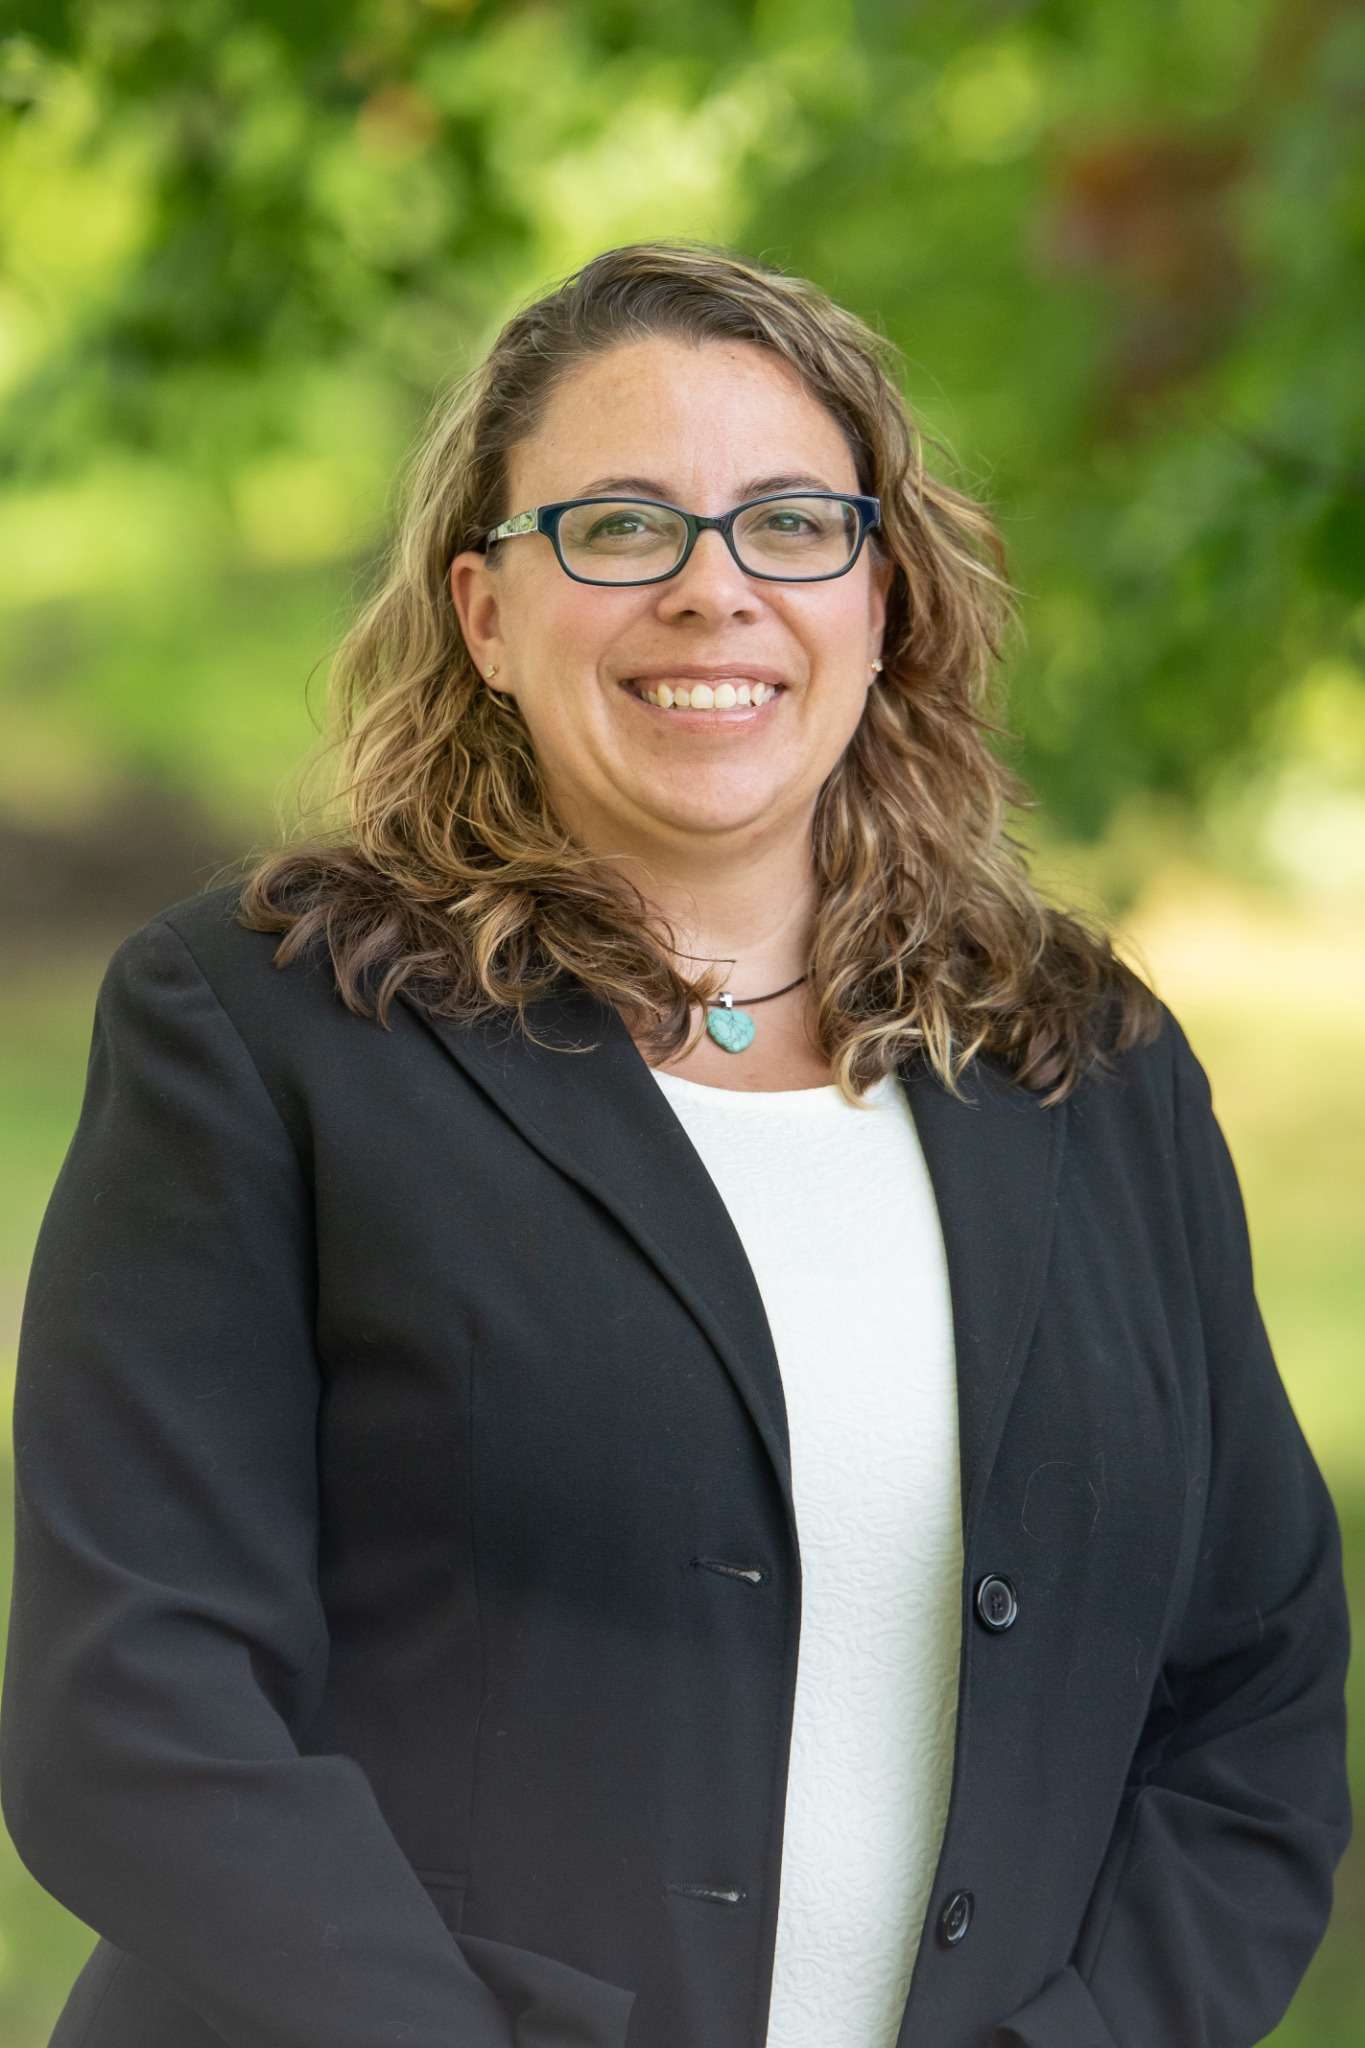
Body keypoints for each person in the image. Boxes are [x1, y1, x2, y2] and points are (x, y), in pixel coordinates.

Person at [0, 238, 1350, 2048]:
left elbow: (1250, 1703)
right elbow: (138, 1708)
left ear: (882, 600)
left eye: (791, 524)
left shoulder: (1086, 1065)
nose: (710, 592)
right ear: (485, 613)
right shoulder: (262, 1027)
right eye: (618, 526)